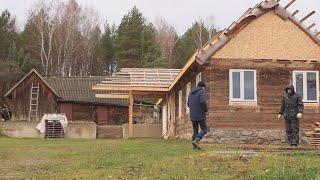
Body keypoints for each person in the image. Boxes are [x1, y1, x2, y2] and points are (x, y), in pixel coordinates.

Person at [188, 81, 208, 150]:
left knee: (195, 131)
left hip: (192, 115)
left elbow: (188, 104)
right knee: (204, 129)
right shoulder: (201, 92)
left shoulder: (190, 93)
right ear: (203, 87)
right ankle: (196, 141)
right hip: (200, 114)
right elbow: (202, 101)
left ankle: (194, 147)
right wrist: (205, 109)